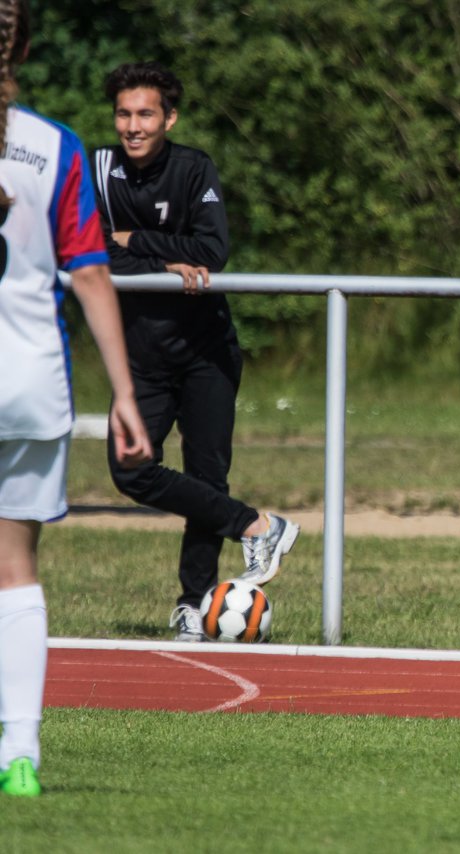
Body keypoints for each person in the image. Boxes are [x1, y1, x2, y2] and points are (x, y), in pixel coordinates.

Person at [0, 0, 153, 797]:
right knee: (14, 571)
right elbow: (90, 273)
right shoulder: (51, 146)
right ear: (21, 43)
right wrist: (123, 393)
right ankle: (18, 754)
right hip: (26, 385)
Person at [90, 62, 298, 642]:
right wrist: (160, 261)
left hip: (207, 350)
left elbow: (213, 250)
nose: (133, 126)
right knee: (130, 468)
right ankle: (257, 526)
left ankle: (193, 604)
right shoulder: (98, 169)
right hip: (139, 356)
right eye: (124, 114)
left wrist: (133, 240)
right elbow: (83, 248)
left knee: (207, 476)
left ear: (169, 118)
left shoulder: (193, 167)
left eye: (145, 114)